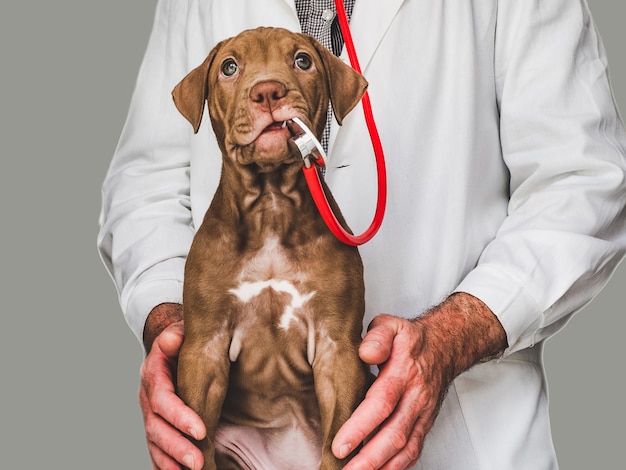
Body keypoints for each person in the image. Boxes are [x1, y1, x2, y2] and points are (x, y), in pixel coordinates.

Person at [97, 0, 626, 469]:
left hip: (471, 440)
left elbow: (582, 182)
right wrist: (172, 325)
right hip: (239, 444)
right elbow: (147, 185)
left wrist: (451, 338)